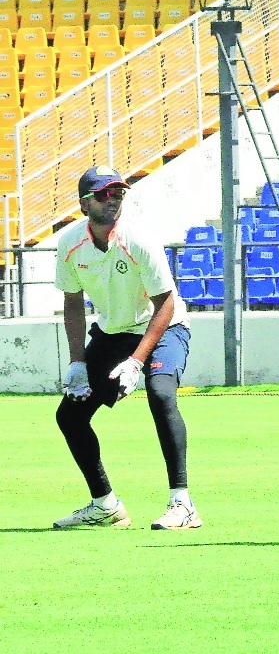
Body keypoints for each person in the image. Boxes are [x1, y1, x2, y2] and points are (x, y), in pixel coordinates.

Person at [53, 166, 198, 530]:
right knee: (69, 416)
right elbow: (73, 302)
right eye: (103, 194)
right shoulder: (70, 243)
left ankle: (182, 504)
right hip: (115, 331)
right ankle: (105, 505)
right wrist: (77, 362)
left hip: (164, 326)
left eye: (118, 193)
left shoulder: (138, 239)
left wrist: (136, 362)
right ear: (84, 204)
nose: (112, 199)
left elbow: (165, 302)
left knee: (161, 393)